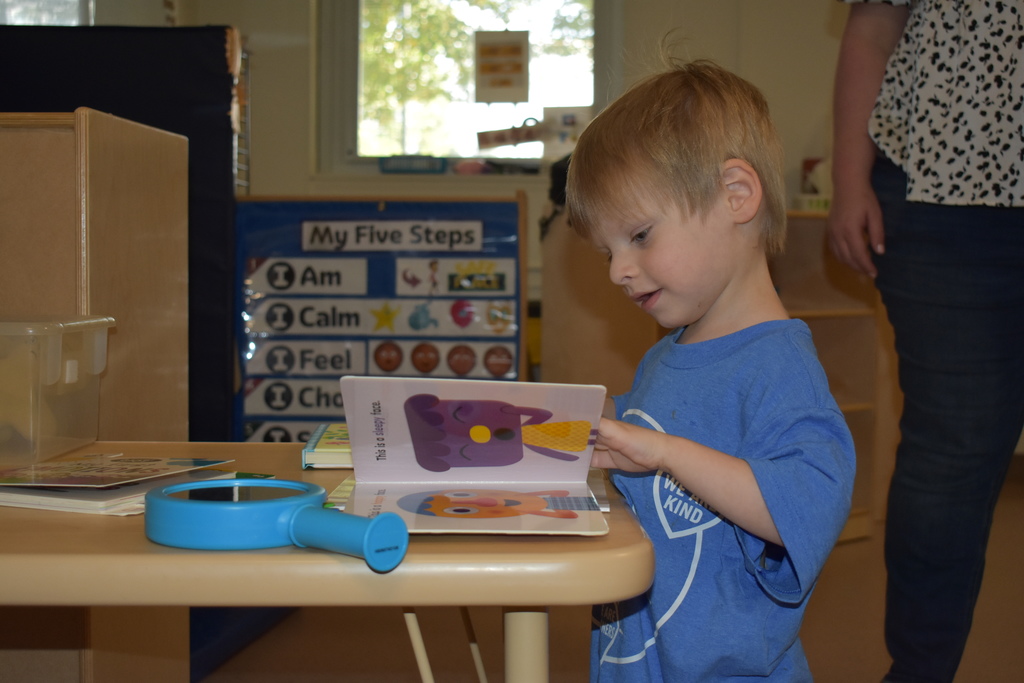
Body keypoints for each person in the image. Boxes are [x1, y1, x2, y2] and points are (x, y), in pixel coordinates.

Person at [565, 59, 857, 682]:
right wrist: (591, 420)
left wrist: (665, 453)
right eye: (608, 250)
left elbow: (802, 509)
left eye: (639, 235)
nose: (618, 270)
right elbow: (651, 421)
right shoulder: (670, 351)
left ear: (736, 196)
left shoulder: (779, 366)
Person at [829, 2, 1024, 682]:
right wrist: (850, 177)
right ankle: (918, 672)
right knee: (952, 450)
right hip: (948, 186)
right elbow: (875, 20)